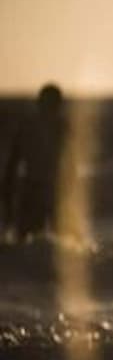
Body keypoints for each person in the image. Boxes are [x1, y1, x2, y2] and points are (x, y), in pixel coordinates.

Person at [2, 83, 65, 242]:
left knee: (35, 238)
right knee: (33, 237)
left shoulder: (57, 127)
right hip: (40, 189)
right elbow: (13, 164)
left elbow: (12, 164)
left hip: (45, 189)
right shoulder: (55, 127)